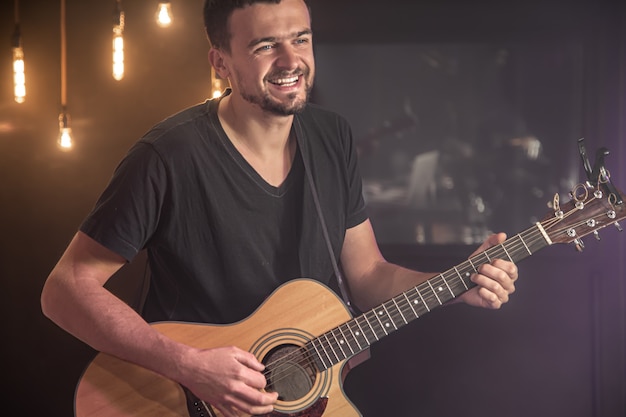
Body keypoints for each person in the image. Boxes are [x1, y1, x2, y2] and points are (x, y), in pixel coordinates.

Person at [40, 0, 519, 416]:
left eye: (301, 39)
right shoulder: (168, 156)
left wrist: (455, 284)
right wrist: (190, 366)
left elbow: (368, 274)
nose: (292, 60)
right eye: (265, 45)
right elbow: (65, 290)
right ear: (220, 62)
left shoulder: (332, 138)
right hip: (180, 399)